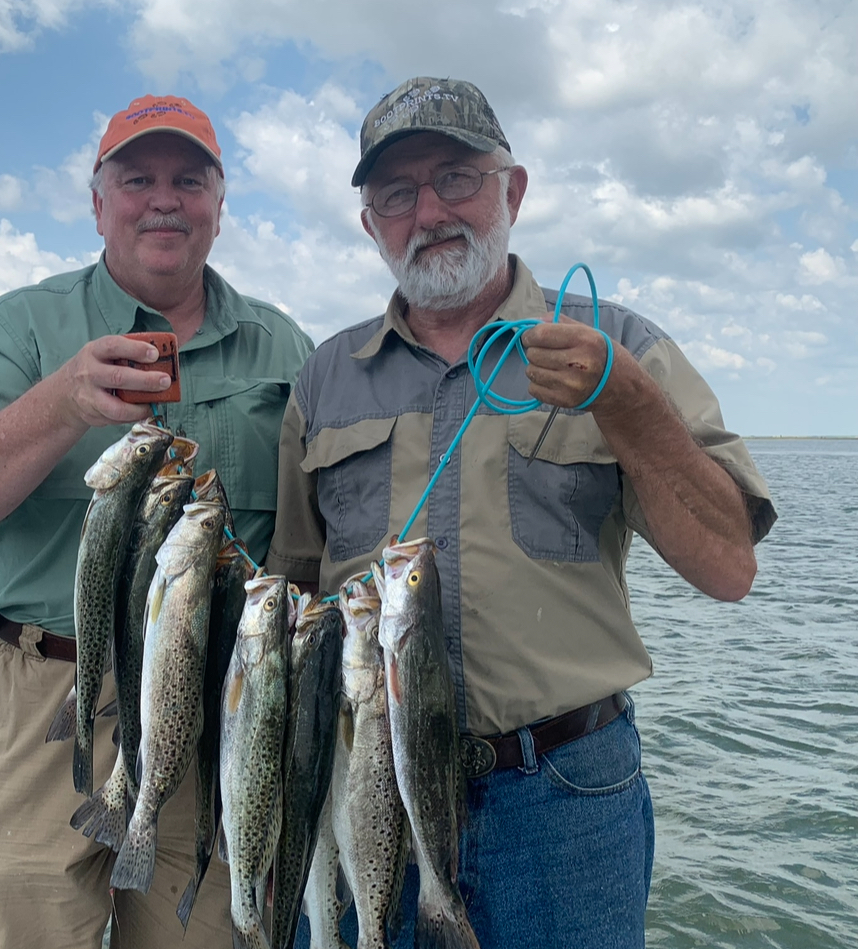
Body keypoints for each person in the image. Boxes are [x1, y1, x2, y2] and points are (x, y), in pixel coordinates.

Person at [266, 77, 776, 949]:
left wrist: (624, 395)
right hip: (367, 786)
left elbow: (728, 566)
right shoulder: (322, 379)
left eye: (457, 177)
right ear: (369, 224)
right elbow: (293, 595)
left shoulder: (620, 344)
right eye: (397, 193)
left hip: (565, 797)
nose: (430, 210)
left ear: (514, 189)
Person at [0, 94, 314, 949]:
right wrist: (59, 402)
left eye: (188, 179)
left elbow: (315, 538)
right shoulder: (13, 329)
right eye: (137, 179)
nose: (163, 199)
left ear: (219, 203)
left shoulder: (286, 350)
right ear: (98, 202)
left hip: (217, 701)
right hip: (42, 697)